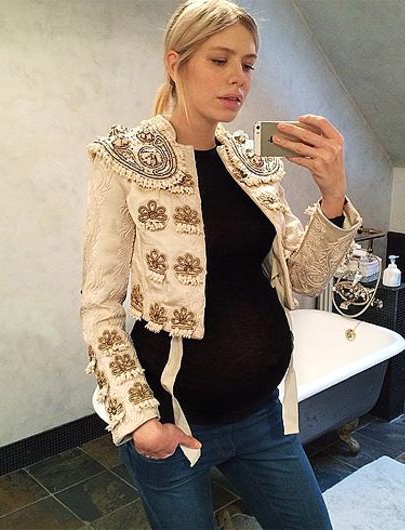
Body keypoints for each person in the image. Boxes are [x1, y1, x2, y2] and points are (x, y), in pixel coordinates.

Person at [80, 1, 362, 528]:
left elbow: (305, 276)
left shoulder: (249, 161)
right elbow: (99, 307)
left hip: (264, 417)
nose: (239, 78)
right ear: (176, 63)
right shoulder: (125, 161)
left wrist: (332, 195)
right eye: (219, 60)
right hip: (175, 421)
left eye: (248, 64)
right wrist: (140, 421)